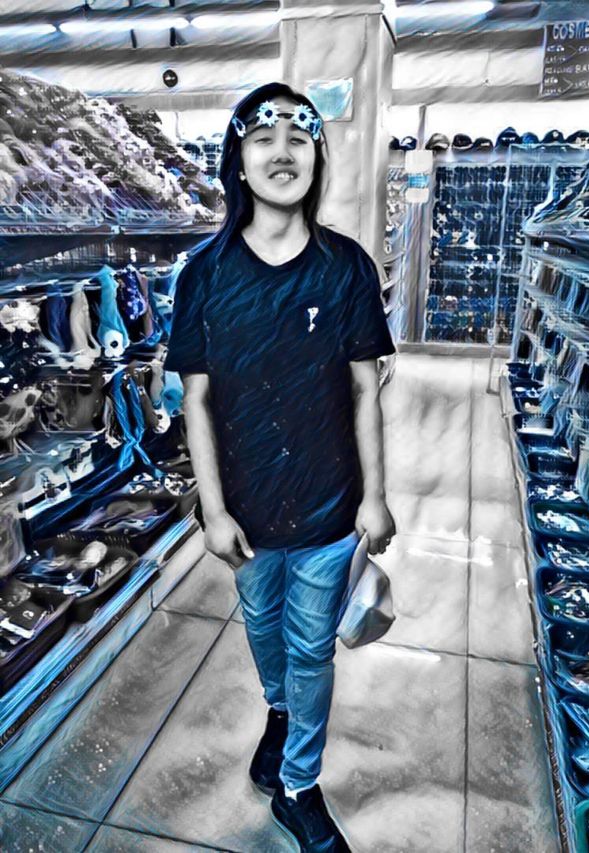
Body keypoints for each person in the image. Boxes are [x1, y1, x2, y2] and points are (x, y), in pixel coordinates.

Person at [165, 81, 396, 853]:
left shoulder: (346, 269)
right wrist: (213, 510)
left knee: (311, 649)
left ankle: (299, 785)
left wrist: (375, 497)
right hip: (247, 512)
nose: (282, 151)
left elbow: (365, 390)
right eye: (263, 138)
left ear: (318, 159)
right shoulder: (204, 274)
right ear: (239, 161)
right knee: (264, 631)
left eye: (300, 137)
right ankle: (281, 709)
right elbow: (197, 400)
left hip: (330, 507)